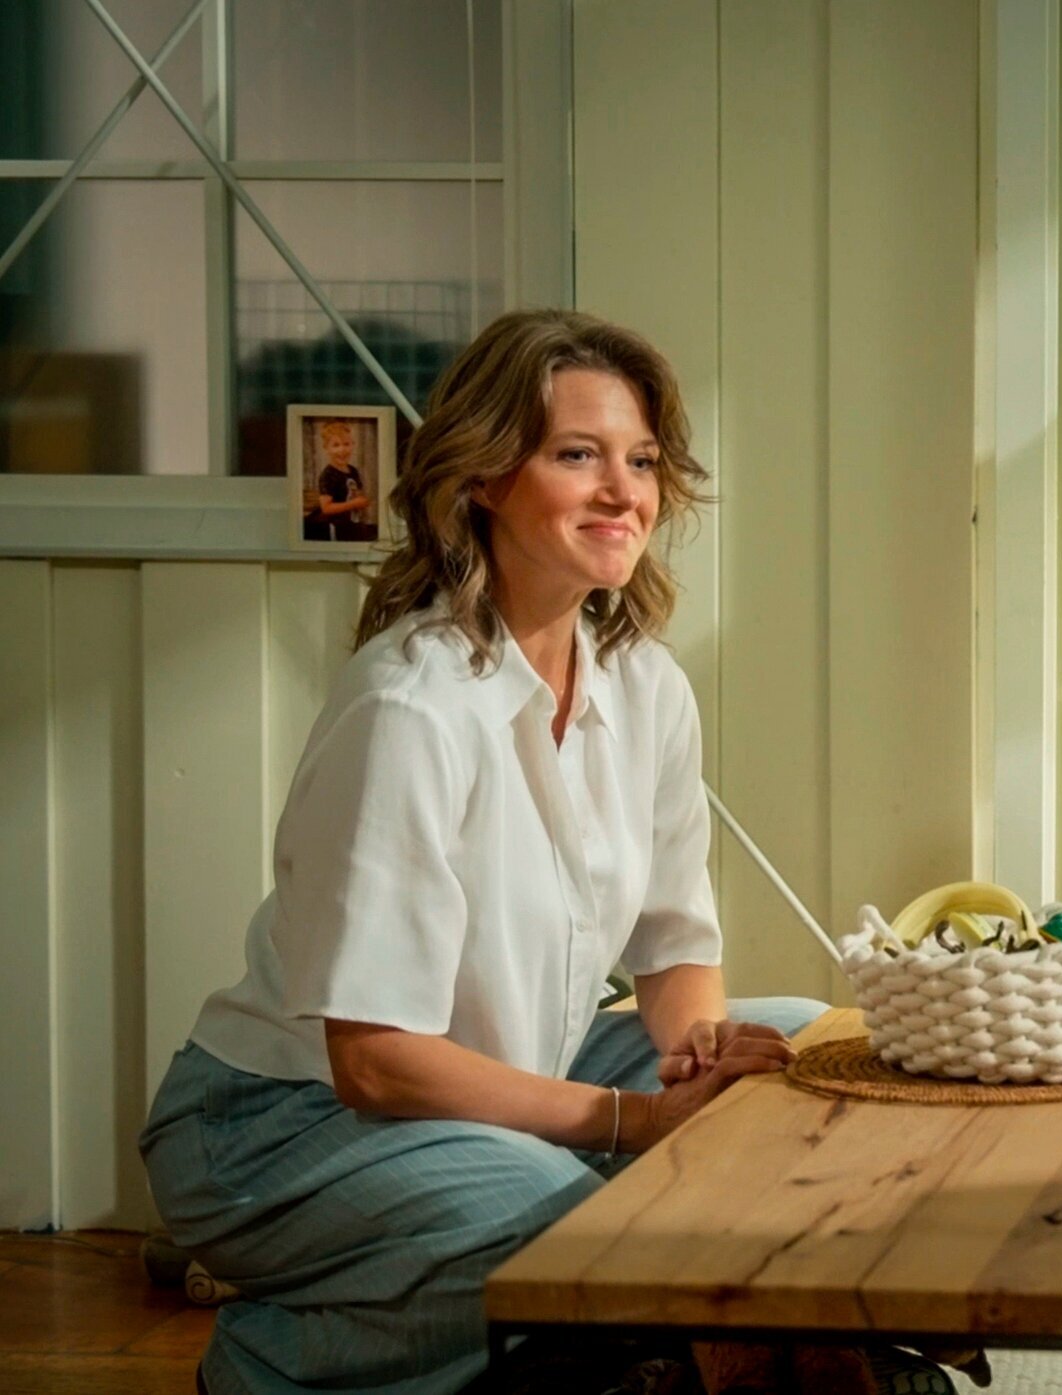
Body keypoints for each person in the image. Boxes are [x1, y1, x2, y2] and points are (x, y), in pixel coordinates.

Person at [140, 309, 828, 1395]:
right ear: (482, 478)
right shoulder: (410, 707)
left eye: (643, 461)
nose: (624, 492)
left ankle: (503, 1314)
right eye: (578, 456)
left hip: (515, 1075)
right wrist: (642, 1123)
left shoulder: (646, 686)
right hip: (283, 1120)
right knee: (590, 1241)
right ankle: (275, 1359)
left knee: (804, 1054)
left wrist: (702, 1064)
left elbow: (672, 949)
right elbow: (375, 1062)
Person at [303, 418, 378, 543]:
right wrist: (354, 504)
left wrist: (363, 501)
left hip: (352, 523)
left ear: (353, 445)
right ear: (326, 448)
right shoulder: (328, 475)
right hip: (336, 527)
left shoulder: (353, 470)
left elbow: (357, 494)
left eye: (346, 444)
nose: (342, 450)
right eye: (336, 445)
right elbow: (326, 508)